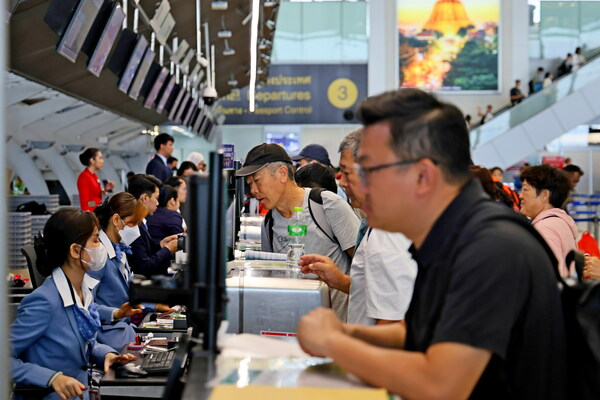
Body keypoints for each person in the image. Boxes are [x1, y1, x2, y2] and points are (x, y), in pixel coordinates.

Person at [296, 88, 566, 399]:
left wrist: (334, 344)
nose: (348, 184)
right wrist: (345, 331)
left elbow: (441, 385)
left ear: (423, 176)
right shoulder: (447, 237)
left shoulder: (492, 248)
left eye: (368, 170)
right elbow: (427, 330)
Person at [11, 209, 135, 400]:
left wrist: (108, 355)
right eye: (95, 240)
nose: (100, 246)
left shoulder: (81, 291)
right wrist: (51, 378)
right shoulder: (44, 301)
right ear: (75, 250)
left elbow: (86, 343)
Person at [301, 129, 417, 326]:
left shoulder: (390, 233)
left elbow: (394, 321)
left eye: (347, 173)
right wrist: (339, 280)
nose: (342, 183)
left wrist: (341, 340)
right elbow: (376, 290)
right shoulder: (377, 223)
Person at [236, 143, 360, 321]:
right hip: (296, 333)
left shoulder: (326, 205)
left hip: (339, 333)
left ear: (282, 174)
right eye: (250, 184)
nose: (253, 190)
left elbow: (366, 267)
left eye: (257, 180)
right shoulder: (268, 224)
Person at [90, 193, 148, 351]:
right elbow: (85, 306)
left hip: (124, 331)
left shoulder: (118, 250)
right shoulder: (98, 255)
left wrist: (156, 304)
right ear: (116, 220)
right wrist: (115, 313)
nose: (136, 229)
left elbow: (129, 294)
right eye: (132, 223)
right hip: (107, 336)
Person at [519, 165, 578, 277]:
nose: (520, 195)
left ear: (545, 195)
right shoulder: (559, 221)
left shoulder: (545, 227)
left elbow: (549, 275)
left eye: (525, 189)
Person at [126, 175, 178, 277]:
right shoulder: (133, 225)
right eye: (156, 198)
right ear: (145, 198)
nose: (158, 203)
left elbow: (145, 254)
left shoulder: (141, 222)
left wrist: (161, 245)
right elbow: (144, 267)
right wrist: (167, 250)